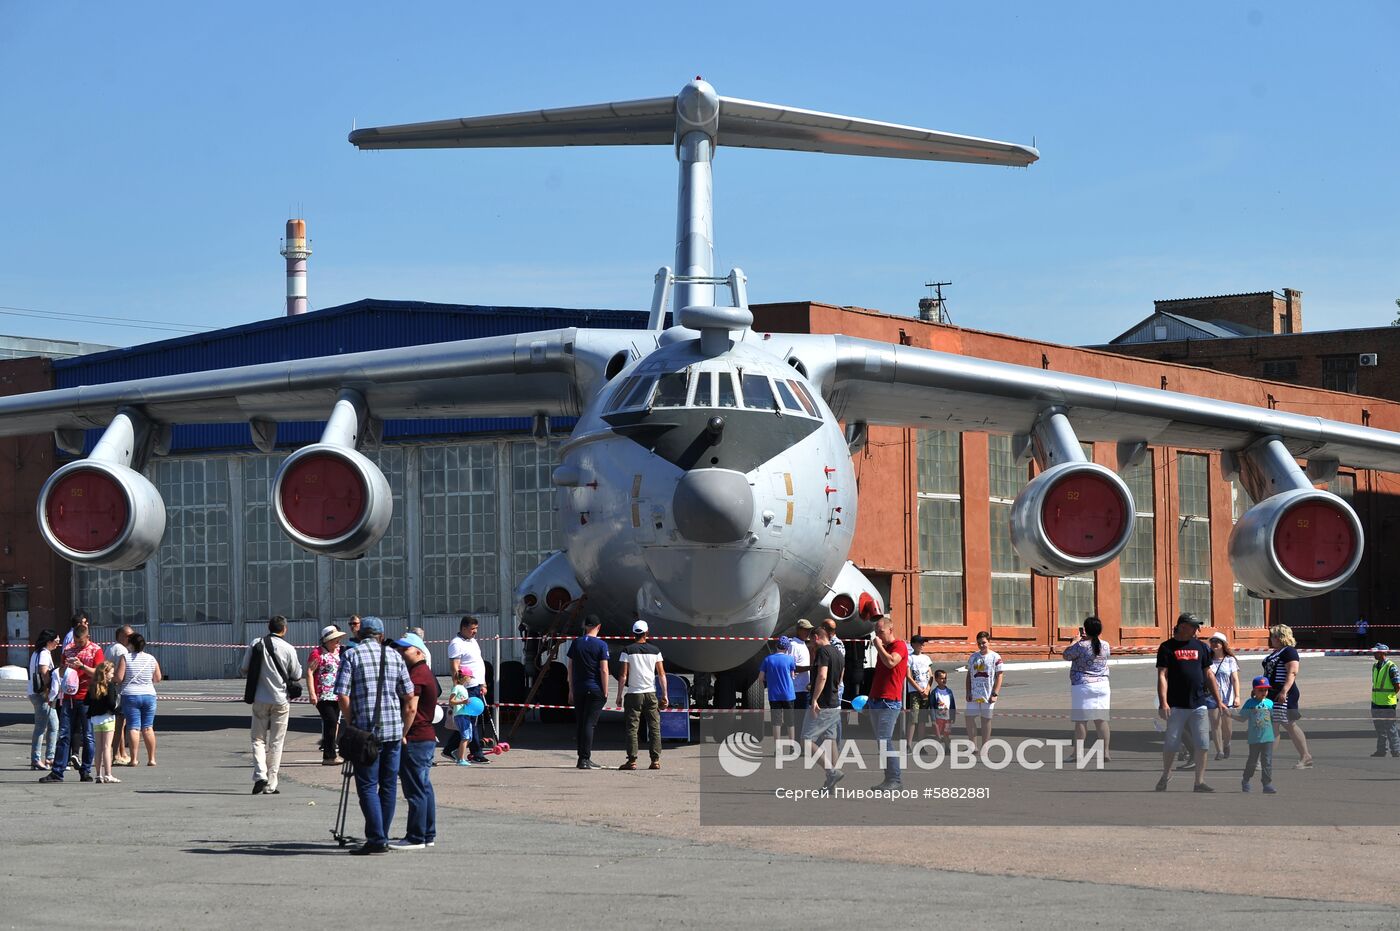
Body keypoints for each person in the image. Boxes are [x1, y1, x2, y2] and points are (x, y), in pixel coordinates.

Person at [334, 616, 416, 855]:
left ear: (360, 635)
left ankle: (376, 838)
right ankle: (383, 834)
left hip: (364, 732)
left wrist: (351, 722)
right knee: (388, 786)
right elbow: (408, 695)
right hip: (392, 731)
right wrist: (402, 729)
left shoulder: (351, 655)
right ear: (381, 635)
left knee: (368, 786)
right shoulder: (394, 656)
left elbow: (342, 695)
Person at [1155, 613, 1223, 792]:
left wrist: (1218, 700)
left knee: (1202, 744)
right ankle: (1166, 774)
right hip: (1176, 705)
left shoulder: (1201, 647)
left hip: (1199, 704)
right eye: (1193, 626)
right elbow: (1162, 675)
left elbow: (1208, 674)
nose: (1196, 629)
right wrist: (1163, 703)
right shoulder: (1167, 647)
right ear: (1183, 626)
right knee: (1171, 744)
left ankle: (1199, 782)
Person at [239, 615, 304, 795]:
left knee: (258, 739)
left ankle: (260, 775)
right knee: (277, 741)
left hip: (260, 698)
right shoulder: (289, 648)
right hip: (281, 699)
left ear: (269, 628)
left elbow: (244, 668)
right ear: (284, 629)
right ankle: (271, 783)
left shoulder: (256, 643)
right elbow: (297, 674)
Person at [390, 632, 440, 850]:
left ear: (419, 651)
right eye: (399, 649)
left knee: (415, 789)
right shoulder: (423, 672)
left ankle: (415, 837)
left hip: (416, 737)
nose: (401, 652)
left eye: (405, 649)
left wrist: (402, 732)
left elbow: (411, 707)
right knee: (424, 787)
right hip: (426, 736)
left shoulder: (417, 674)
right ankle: (427, 834)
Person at [39, 621, 103, 784]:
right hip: (68, 698)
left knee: (88, 736)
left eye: (81, 642)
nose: (78, 645)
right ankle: (57, 771)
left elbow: (99, 673)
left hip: (87, 697)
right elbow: (61, 669)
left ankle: (86, 770)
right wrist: (61, 672)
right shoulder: (68, 649)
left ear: (88, 637)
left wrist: (81, 666)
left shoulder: (95, 650)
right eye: (76, 641)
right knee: (64, 734)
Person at [615, 619, 667, 770]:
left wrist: (619, 695)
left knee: (632, 728)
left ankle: (632, 760)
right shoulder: (655, 650)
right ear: (646, 633)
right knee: (654, 727)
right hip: (650, 693)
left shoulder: (627, 650)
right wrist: (665, 695)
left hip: (634, 694)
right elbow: (661, 674)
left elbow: (623, 675)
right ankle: (655, 760)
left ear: (633, 634)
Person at [1263, 624, 1314, 769]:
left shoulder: (1289, 652)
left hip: (1283, 693)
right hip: (1273, 693)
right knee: (1282, 725)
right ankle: (1306, 756)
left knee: (1281, 724)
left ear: (1280, 637)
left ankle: (1304, 757)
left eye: (1272, 636)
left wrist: (1284, 691)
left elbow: (1292, 672)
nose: (1271, 639)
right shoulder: (1277, 652)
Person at [868, 616, 909, 790]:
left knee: (885, 740)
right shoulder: (884, 648)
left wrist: (878, 647)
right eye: (876, 632)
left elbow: (891, 662)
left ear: (890, 630)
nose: (877, 635)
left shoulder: (899, 645)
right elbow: (880, 676)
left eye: (880, 631)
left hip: (889, 702)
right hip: (876, 700)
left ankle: (895, 779)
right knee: (881, 741)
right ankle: (888, 779)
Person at [803, 624, 844, 792]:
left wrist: (814, 698)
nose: (811, 644)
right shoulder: (838, 653)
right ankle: (831, 784)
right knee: (830, 741)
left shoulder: (823, 652)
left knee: (806, 741)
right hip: (835, 702)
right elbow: (840, 677)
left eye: (811, 641)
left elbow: (822, 675)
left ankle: (832, 772)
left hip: (822, 705)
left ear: (816, 637)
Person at [1063, 617, 1111, 760]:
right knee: (1101, 720)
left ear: (1086, 630)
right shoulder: (1106, 645)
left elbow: (1066, 655)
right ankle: (1105, 752)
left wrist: (1074, 641)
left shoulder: (1081, 645)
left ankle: (1077, 753)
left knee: (1081, 720)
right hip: (1102, 685)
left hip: (1083, 685)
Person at [566, 615, 610, 769]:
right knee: (590, 724)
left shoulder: (576, 643)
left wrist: (571, 689)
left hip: (579, 688)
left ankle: (581, 757)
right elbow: (604, 670)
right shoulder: (601, 645)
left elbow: (570, 667)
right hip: (595, 688)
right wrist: (605, 690)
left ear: (585, 626)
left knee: (581, 723)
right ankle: (585, 758)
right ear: (599, 626)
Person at [447, 616, 489, 764]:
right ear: (463, 628)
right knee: (470, 722)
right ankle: (477, 752)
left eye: (476, 628)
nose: (475, 631)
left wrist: (483, 684)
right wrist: (458, 687)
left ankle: (449, 749)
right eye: (472, 629)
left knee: (468, 721)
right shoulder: (456, 644)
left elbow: (478, 662)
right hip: (466, 688)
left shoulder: (472, 641)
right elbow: (455, 667)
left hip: (476, 686)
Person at [116, 632, 161, 767]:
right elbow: (157, 678)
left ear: (131, 644)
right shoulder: (151, 658)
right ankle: (152, 758)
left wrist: (111, 679)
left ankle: (134, 759)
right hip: (149, 694)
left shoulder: (126, 658)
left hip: (130, 695)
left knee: (133, 727)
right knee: (148, 727)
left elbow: (119, 678)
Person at [307, 625, 349, 765]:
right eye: (334, 639)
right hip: (323, 694)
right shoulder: (317, 653)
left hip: (337, 694)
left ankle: (329, 754)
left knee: (333, 722)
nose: (338, 642)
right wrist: (312, 693)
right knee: (330, 721)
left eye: (338, 639)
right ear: (326, 641)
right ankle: (329, 755)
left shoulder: (339, 652)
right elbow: (309, 672)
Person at [1234, 675, 1277, 793]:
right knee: (1252, 761)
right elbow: (1242, 718)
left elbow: (1273, 719)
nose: (1264, 692)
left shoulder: (1269, 703)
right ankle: (1246, 780)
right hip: (1254, 738)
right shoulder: (1250, 703)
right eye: (1261, 690)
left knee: (1267, 761)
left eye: (1266, 690)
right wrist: (1230, 715)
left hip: (1268, 738)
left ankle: (1267, 784)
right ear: (1254, 690)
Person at [27, 629, 60, 771]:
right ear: (49, 641)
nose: (58, 643)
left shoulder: (36, 652)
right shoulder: (44, 653)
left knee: (54, 725)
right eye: (56, 641)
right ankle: (36, 759)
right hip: (42, 694)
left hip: (35, 693)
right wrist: (49, 690)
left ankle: (50, 758)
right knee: (41, 727)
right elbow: (43, 670)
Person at [965, 632, 1002, 751]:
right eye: (979, 643)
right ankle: (973, 746)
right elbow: (968, 675)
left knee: (985, 720)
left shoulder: (995, 657)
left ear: (989, 642)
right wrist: (968, 692)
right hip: (974, 693)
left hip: (988, 693)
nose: (981, 645)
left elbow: (999, 676)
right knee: (969, 718)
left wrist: (995, 693)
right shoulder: (973, 657)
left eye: (984, 643)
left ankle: (985, 746)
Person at [85, 661, 121, 784]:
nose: (113, 674)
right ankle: (108, 774)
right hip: (108, 718)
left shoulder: (93, 685)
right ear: (106, 673)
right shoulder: (110, 685)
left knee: (98, 748)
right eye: (111, 672)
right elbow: (111, 703)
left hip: (96, 719)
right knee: (107, 747)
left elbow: (86, 701)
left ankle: (98, 775)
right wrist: (115, 709)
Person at [1208, 633, 1240, 760]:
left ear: (1223, 644)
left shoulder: (1230, 660)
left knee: (1227, 727)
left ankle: (1227, 744)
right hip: (1212, 697)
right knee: (1215, 724)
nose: (1215, 643)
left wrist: (1237, 696)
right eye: (1213, 641)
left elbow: (1235, 679)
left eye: (1218, 641)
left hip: (1227, 697)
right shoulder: (1207, 660)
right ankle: (1219, 751)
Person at [759, 636, 798, 743]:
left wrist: (770, 678)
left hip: (774, 695)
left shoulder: (767, 659)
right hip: (788, 694)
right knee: (790, 722)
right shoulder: (790, 659)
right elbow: (792, 675)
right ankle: (791, 746)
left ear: (776, 646)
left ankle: (777, 747)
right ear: (787, 648)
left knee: (776, 722)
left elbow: (761, 678)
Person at [1368, 643, 1400, 758]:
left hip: (1387, 703)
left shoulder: (1391, 666)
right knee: (1379, 728)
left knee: (1391, 728)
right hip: (1376, 703)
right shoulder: (1374, 666)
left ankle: (1396, 751)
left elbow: (1397, 685)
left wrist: (1390, 696)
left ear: (1382, 653)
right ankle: (1381, 751)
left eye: (1376, 652)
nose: (1374, 654)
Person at [107, 626, 133, 764]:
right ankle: (116, 754)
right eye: (127, 635)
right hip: (117, 690)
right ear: (120, 636)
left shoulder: (113, 648)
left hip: (113, 689)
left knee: (120, 724)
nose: (130, 638)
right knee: (118, 724)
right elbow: (119, 675)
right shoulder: (121, 650)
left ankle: (122, 753)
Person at [905, 636, 933, 745]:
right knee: (913, 718)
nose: (922, 645)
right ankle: (909, 744)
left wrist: (927, 689)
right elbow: (908, 676)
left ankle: (921, 744)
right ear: (913, 644)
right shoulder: (909, 658)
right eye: (919, 643)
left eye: (923, 643)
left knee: (923, 719)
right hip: (915, 692)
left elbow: (930, 675)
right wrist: (919, 689)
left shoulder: (926, 658)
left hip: (926, 692)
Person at [447, 669, 476, 765]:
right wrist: (462, 702)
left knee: (469, 737)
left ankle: (458, 752)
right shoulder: (457, 688)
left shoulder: (463, 688)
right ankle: (460, 760)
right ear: (465, 677)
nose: (470, 679)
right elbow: (451, 701)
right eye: (470, 677)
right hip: (460, 715)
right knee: (465, 737)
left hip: (465, 715)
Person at [789, 620, 814, 711]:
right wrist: (811, 667)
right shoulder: (794, 645)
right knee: (799, 719)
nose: (808, 632)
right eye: (805, 630)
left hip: (803, 688)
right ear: (798, 630)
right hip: (797, 689)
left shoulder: (802, 644)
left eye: (809, 630)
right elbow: (791, 667)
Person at [930, 669, 957, 744]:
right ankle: (938, 751)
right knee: (938, 736)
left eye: (945, 678)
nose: (944, 680)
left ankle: (947, 749)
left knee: (946, 735)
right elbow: (932, 706)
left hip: (947, 718)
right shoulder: (934, 692)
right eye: (941, 678)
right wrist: (933, 719)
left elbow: (952, 705)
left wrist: (953, 716)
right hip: (938, 718)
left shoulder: (949, 692)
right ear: (936, 679)